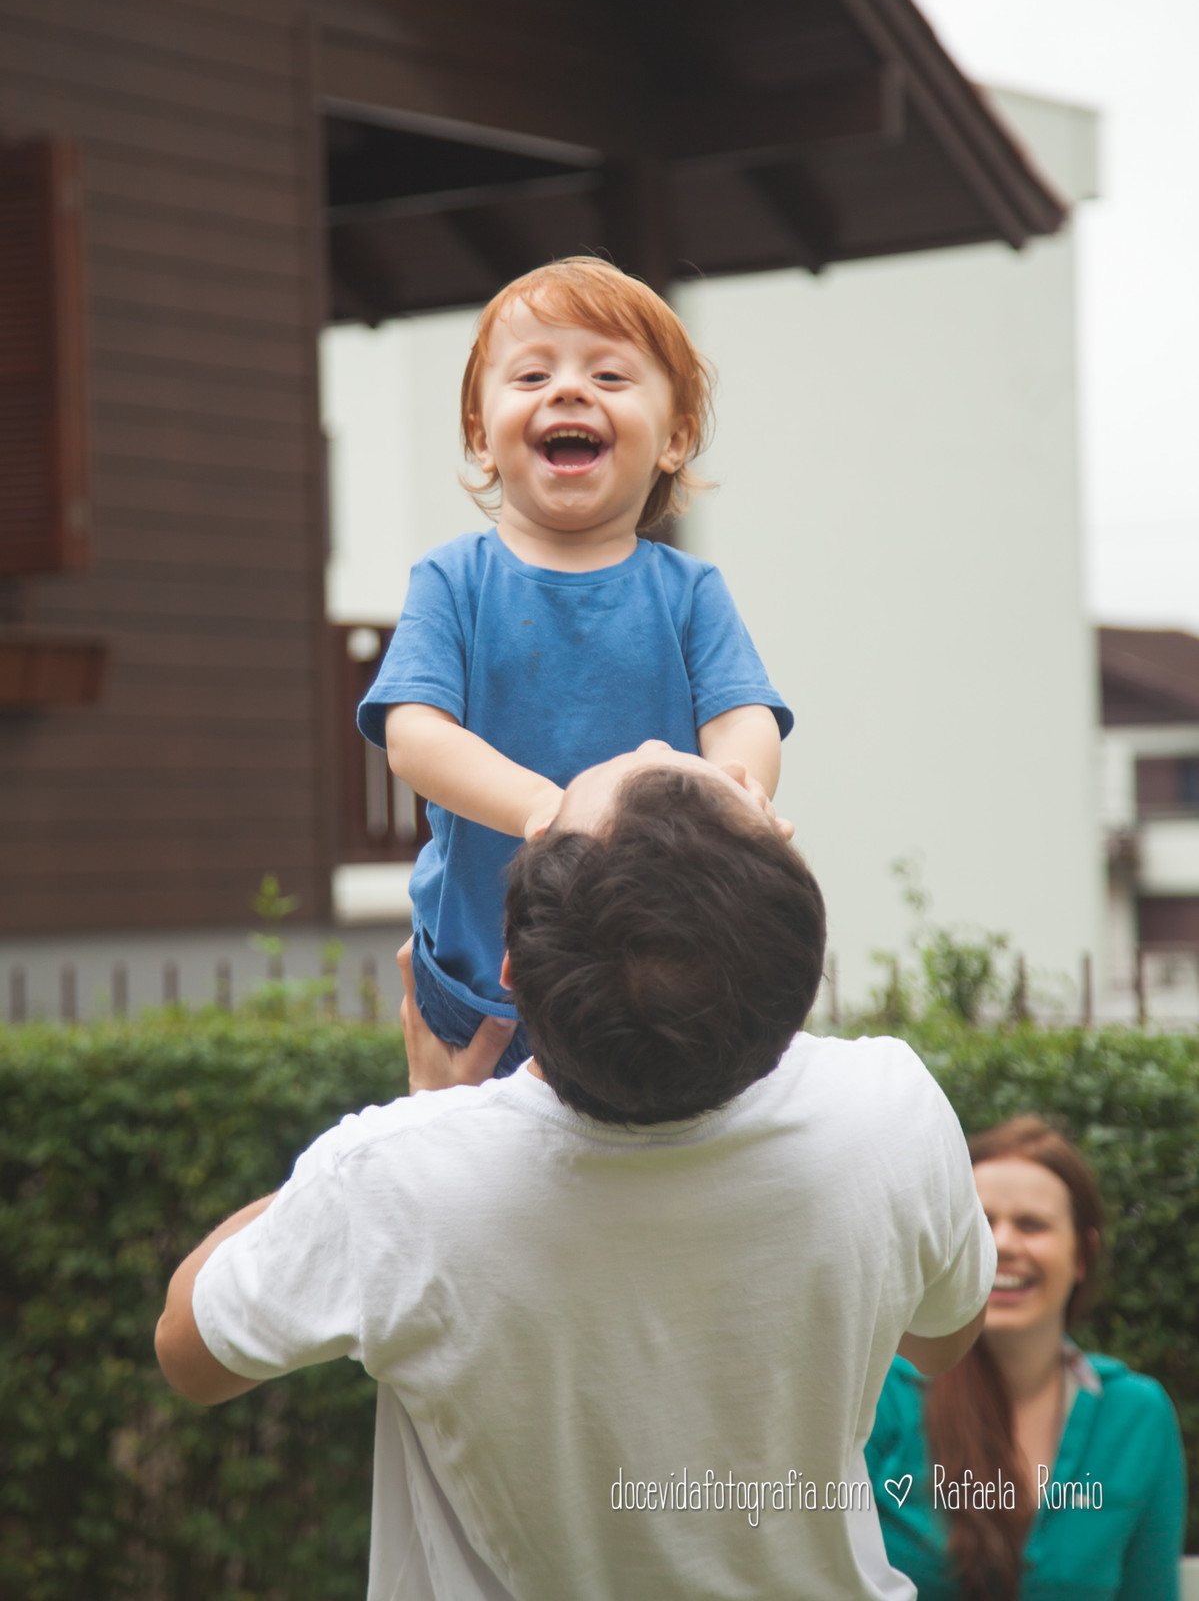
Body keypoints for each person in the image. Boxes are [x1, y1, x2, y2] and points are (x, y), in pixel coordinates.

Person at [157, 744, 997, 1601]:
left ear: (511, 972)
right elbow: (941, 1338)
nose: (653, 742)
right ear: (795, 987)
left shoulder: (399, 1181)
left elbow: (189, 1349)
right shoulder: (889, 1109)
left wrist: (420, 1127)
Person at [356, 255, 792, 1075]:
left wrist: (737, 792)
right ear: (482, 438)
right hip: (486, 982)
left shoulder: (688, 591)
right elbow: (414, 736)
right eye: (531, 373)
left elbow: (743, 716)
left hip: (650, 973)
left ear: (675, 438)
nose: (566, 389)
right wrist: (545, 809)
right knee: (483, 1184)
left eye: (608, 373)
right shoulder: (453, 579)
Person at [866, 1115, 1187, 1601]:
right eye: (982, 1224)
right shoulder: (877, 1395)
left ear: (1083, 1254)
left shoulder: (1137, 1417)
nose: (1004, 1244)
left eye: (1032, 1225)